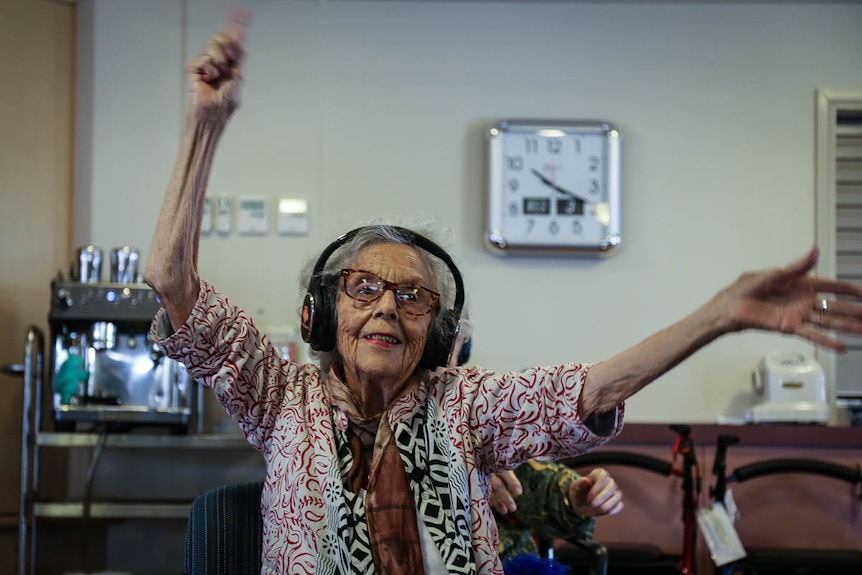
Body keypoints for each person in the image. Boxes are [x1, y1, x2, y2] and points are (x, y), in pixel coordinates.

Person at [144, 12, 862, 575]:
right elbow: (172, 280)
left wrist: (719, 314)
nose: (388, 306)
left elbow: (591, 387)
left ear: (440, 335)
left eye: (414, 297)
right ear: (324, 312)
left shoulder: (465, 406)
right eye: (364, 287)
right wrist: (205, 124)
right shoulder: (279, 396)